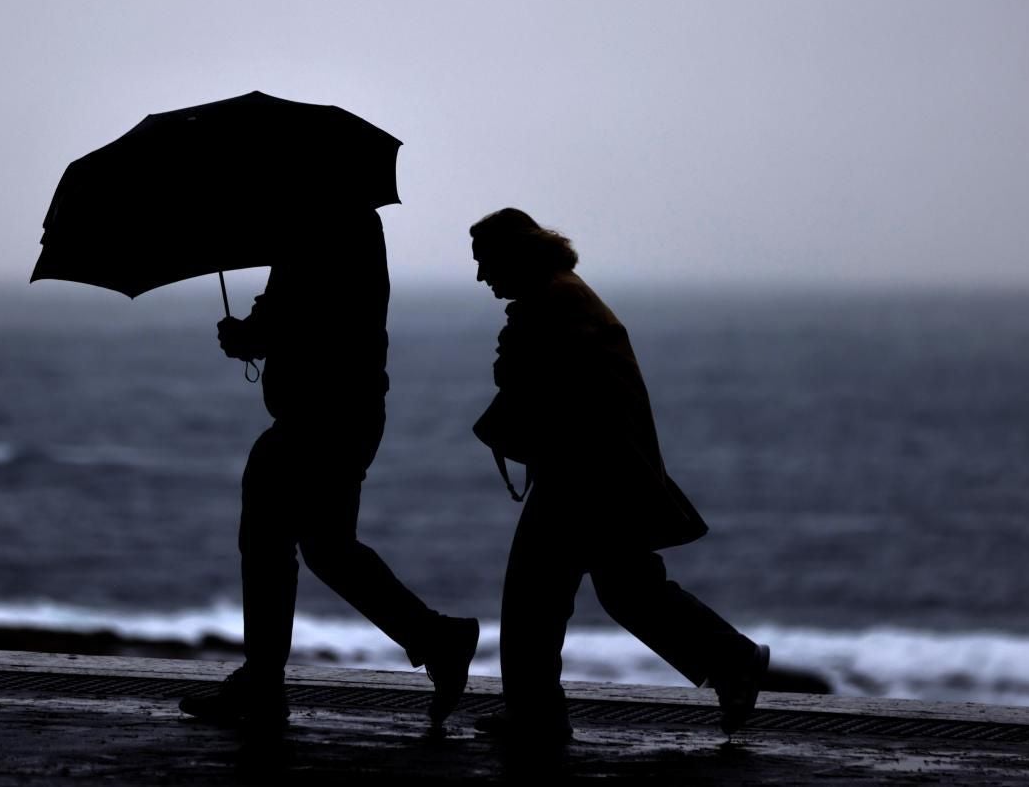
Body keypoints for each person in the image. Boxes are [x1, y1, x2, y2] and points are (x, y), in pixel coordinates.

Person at [467, 208, 769, 745]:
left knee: (533, 595)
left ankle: (536, 713)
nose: (481, 277)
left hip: (585, 475)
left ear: (512, 255)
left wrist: (511, 357)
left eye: (486, 262)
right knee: (628, 590)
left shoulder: (555, 302)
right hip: (600, 469)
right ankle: (733, 660)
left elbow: (541, 385)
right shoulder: (561, 296)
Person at [180, 205, 480, 730]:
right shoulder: (338, 220)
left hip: (322, 416)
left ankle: (265, 682)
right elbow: (301, 309)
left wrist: (250, 336)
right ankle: (437, 640)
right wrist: (255, 330)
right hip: (344, 413)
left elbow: (307, 316)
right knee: (326, 548)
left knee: (275, 539)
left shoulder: (324, 222)